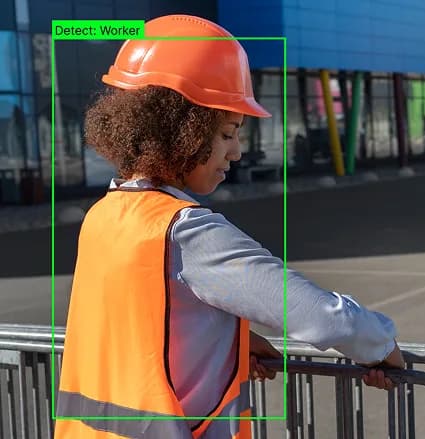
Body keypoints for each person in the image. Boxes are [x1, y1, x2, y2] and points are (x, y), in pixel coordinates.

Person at [54, 14, 403, 438]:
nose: (236, 151)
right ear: (181, 130)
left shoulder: (105, 215)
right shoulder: (185, 230)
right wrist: (381, 345)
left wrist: (227, 343)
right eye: (227, 133)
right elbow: (322, 317)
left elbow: (144, 331)